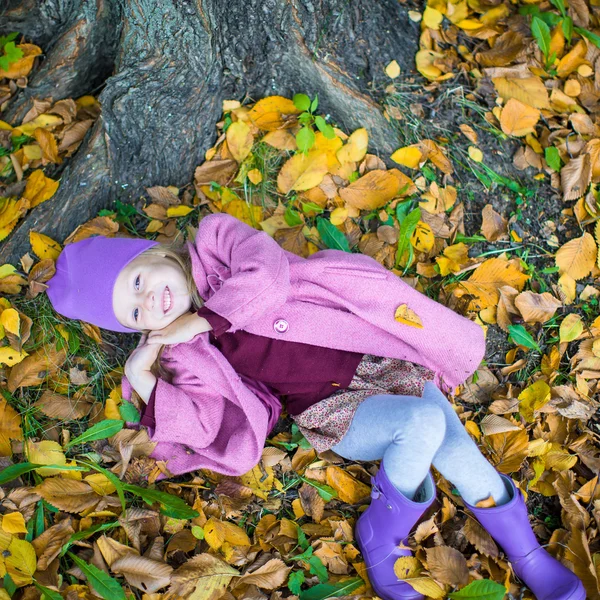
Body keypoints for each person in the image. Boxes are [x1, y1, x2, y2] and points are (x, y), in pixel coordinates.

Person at [47, 212, 584, 600]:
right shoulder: (182, 352)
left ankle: (528, 554)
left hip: (380, 360)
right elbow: (206, 421)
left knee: (457, 448)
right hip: (331, 409)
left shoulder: (215, 241)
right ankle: (383, 531)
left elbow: (268, 272)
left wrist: (209, 317)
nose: (150, 302)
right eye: (135, 313)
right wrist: (147, 382)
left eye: (138, 282)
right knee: (421, 425)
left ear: (152, 254)